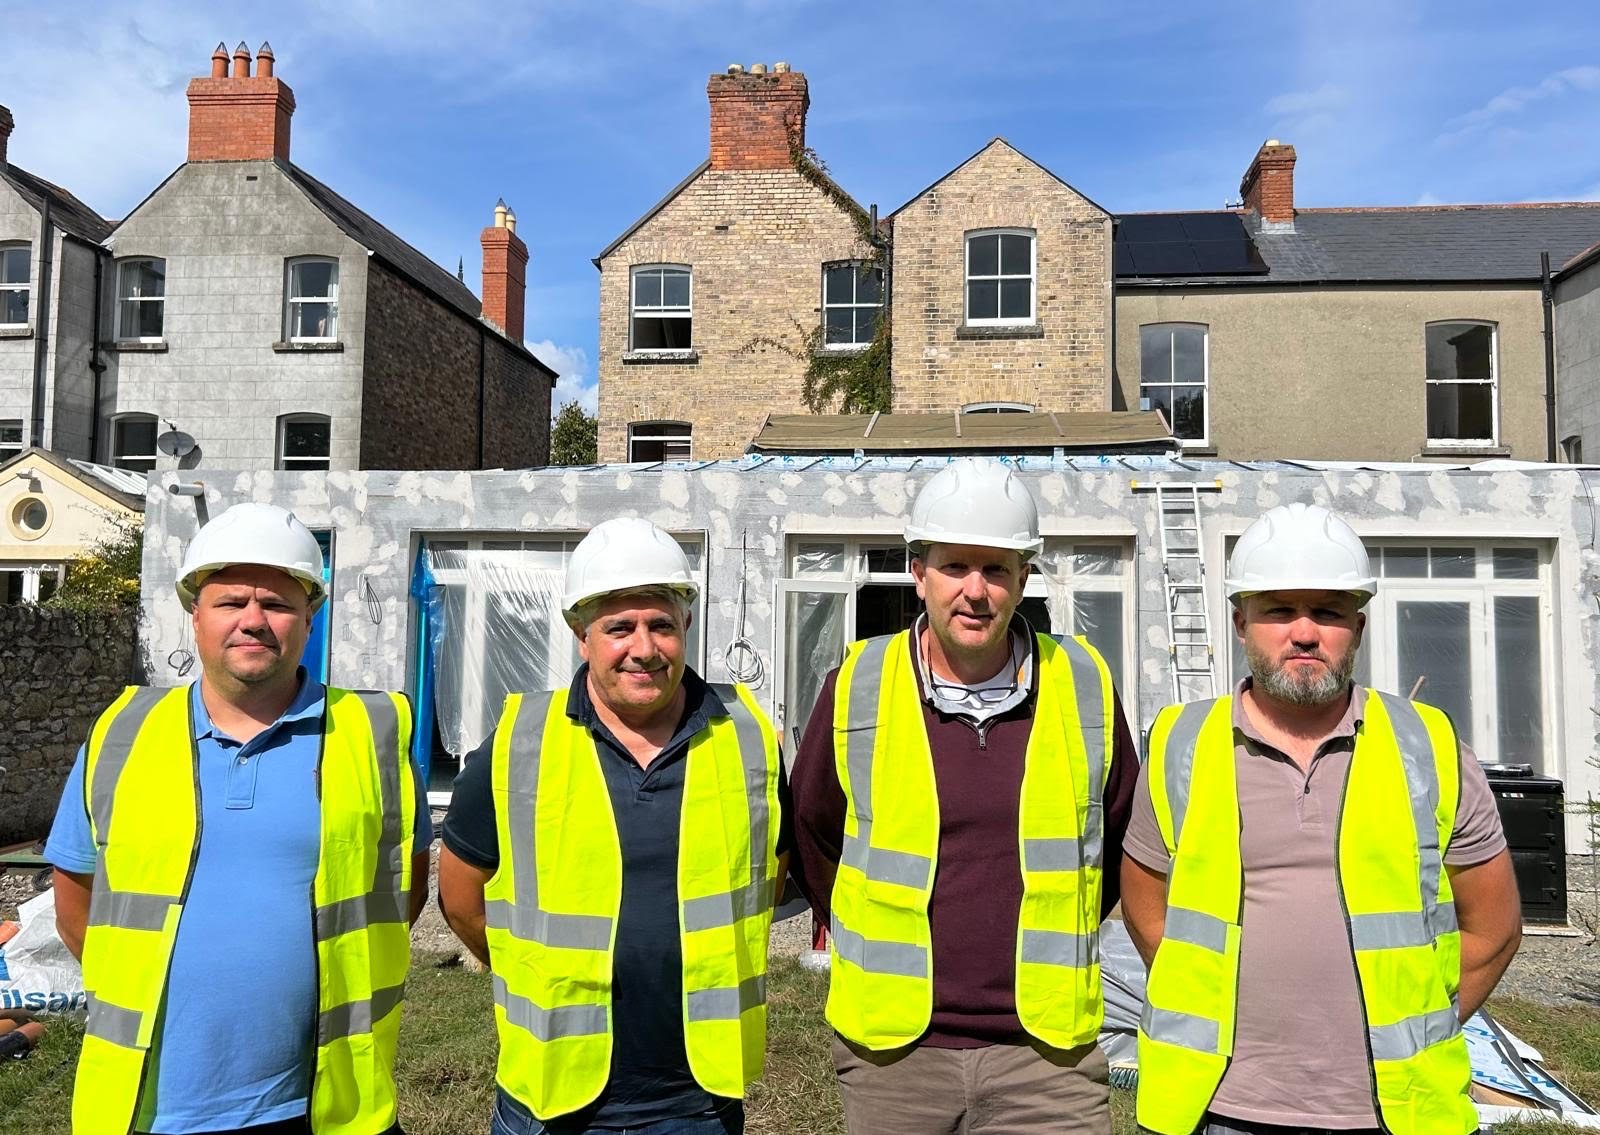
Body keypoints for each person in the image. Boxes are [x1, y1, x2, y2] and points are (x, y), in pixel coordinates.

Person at [1122, 502, 1523, 1135]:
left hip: (1394, 1114)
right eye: (1279, 610)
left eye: (1328, 612)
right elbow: (1147, 908)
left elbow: (1494, 929)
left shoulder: (1428, 746)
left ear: (1358, 628)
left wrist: (1417, 1027)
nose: (1304, 632)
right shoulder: (1181, 744)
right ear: (1239, 623)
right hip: (1216, 1110)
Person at [47, 502, 431, 1135]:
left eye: (277, 603)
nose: (254, 621)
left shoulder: (375, 734)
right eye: (231, 602)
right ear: (194, 614)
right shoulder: (122, 734)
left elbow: (399, 894)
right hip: (149, 1106)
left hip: (326, 1104)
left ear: (311, 617)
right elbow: (76, 912)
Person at [790, 457, 1138, 1135]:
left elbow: (1115, 840)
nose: (975, 591)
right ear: (918, 572)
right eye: (955, 566)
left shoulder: (1084, 684)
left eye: (997, 568)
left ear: (1023, 578)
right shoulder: (858, 684)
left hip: (1047, 1058)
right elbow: (814, 833)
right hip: (895, 1055)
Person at [436, 517, 790, 1135]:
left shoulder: (749, 740)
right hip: (550, 1101)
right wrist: (532, 969)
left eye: (661, 625)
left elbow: (771, 876)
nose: (643, 648)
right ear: (581, 635)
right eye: (618, 628)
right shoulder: (521, 743)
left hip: (699, 1099)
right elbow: (461, 896)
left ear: (685, 626)